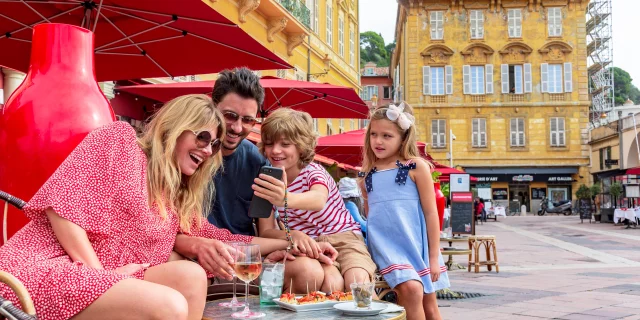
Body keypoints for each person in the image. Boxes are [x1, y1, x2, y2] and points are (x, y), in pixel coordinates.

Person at [0, 94, 314, 320]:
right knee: (169, 306)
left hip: (116, 277)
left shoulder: (177, 196)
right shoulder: (121, 141)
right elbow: (63, 210)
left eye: (214, 144)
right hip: (50, 270)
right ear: (175, 128)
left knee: (191, 276)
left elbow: (226, 240)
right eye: (202, 137)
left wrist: (293, 241)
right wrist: (101, 277)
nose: (207, 149)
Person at [175, 68, 328, 294]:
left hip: (244, 258)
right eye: (230, 116)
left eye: (247, 120)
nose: (237, 128)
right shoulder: (189, 153)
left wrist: (292, 238)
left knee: (309, 270)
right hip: (196, 256)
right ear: (212, 107)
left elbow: (265, 231)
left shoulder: (257, 162)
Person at [253, 108, 377, 293]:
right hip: (311, 245)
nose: (275, 150)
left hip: (344, 237)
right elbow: (266, 231)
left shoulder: (313, 171)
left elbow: (318, 199)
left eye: (285, 144)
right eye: (269, 144)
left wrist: (285, 198)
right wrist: (293, 234)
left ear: (301, 146)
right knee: (331, 285)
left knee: (358, 283)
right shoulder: (267, 182)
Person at [360, 102, 450, 320]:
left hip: (417, 245)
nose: (378, 141)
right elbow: (371, 217)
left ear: (403, 138)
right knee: (412, 290)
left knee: (430, 305)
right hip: (386, 248)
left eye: (387, 136)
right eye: (374, 134)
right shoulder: (367, 176)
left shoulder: (415, 167)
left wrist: (433, 256)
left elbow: (431, 213)